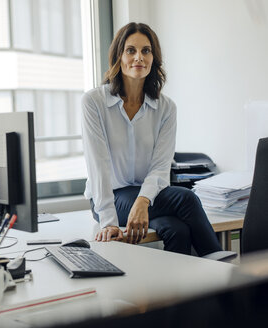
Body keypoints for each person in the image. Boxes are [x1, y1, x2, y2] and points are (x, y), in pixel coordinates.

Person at [81, 22, 222, 256]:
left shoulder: (166, 107)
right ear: (118, 56)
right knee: (186, 199)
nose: (139, 57)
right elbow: (99, 166)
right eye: (130, 50)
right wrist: (109, 222)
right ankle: (226, 274)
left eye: (146, 50)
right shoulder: (94, 102)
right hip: (110, 197)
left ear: (154, 58)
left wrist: (143, 201)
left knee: (177, 230)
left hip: (149, 196)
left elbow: (160, 166)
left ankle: (178, 293)